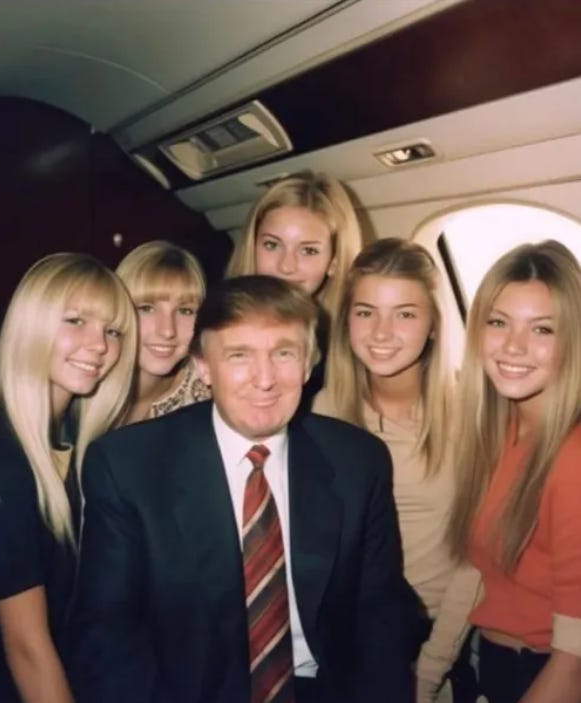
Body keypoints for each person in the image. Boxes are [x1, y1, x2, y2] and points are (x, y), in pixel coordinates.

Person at [70, 275, 416, 703]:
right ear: (203, 366)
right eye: (239, 355)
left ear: (308, 363)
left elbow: (380, 619)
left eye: (284, 353)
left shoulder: (356, 462)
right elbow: (107, 637)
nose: (265, 379)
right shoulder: (129, 466)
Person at [312, 238, 481, 702]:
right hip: (347, 639)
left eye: (405, 314)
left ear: (433, 325)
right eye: (366, 312)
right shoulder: (323, 411)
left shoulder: (470, 416)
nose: (381, 332)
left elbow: (476, 564)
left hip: (437, 636)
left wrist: (427, 673)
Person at [0, 253, 137, 703]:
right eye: (76, 321)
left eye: (113, 331)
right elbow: (27, 648)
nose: (99, 345)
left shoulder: (74, 447)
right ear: (31, 326)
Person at [447, 240, 581, 702]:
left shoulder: (573, 458)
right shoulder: (501, 430)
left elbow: (573, 664)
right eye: (498, 322)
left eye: (542, 329)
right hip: (493, 661)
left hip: (543, 674)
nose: (513, 346)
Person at [226, 170, 365, 406]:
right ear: (252, 246)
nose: (286, 266)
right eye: (272, 245)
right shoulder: (215, 321)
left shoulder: (350, 343)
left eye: (308, 250)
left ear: (334, 261)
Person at [116, 240, 210, 424]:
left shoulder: (209, 395)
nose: (167, 331)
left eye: (185, 311)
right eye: (147, 308)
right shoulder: (83, 380)